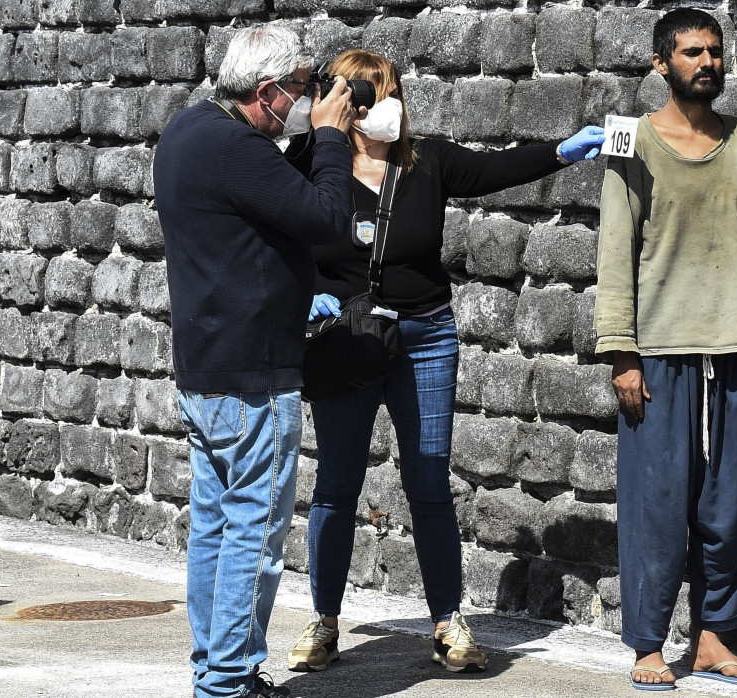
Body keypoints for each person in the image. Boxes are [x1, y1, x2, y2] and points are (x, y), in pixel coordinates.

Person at [285, 49, 604, 675]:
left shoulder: (424, 159)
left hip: (424, 336)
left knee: (428, 483)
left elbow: (496, 169)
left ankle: (447, 621)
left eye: (383, 90)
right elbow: (271, 231)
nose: (374, 103)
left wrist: (564, 150)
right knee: (336, 486)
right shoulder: (313, 162)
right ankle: (324, 621)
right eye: (360, 93)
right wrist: (304, 293)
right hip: (345, 338)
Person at [153, 24, 365, 698]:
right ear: (267, 93)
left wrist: (312, 134)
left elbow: (267, 194)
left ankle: (213, 671)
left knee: (215, 529)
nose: (308, 101)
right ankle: (230, 682)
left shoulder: (189, 133)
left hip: (208, 368)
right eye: (302, 91)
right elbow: (329, 217)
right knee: (255, 535)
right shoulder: (236, 149)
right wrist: (331, 138)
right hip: (253, 377)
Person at [593, 8, 737, 691]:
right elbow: (614, 248)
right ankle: (649, 643)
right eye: (691, 53)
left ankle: (713, 639)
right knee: (658, 505)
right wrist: (620, 350)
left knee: (726, 506)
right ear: (660, 64)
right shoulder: (632, 141)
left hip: (734, 346)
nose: (707, 62)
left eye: (715, 52)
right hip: (658, 354)